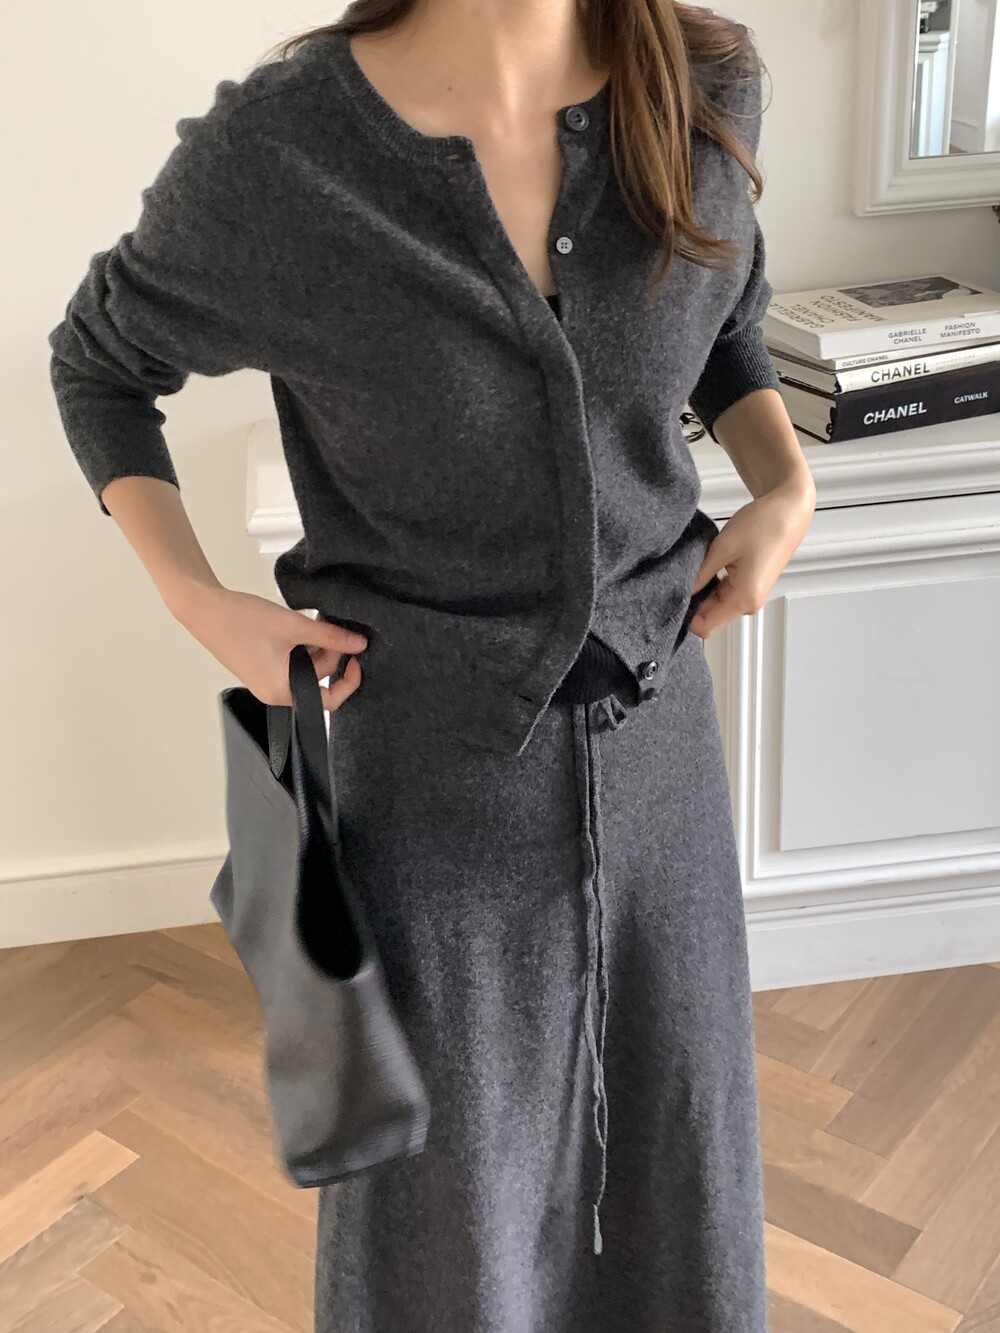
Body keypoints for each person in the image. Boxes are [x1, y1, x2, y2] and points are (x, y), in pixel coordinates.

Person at [47, 1, 816, 1329]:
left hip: (662, 759)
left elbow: (727, 306)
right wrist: (198, 601)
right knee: (446, 1233)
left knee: (678, 1173)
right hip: (432, 791)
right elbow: (99, 364)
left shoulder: (703, 83)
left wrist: (785, 481)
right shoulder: (289, 156)